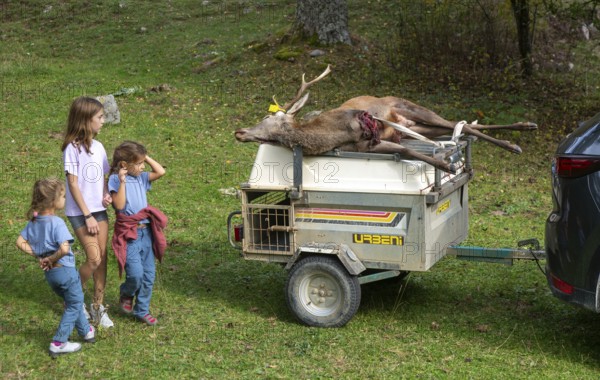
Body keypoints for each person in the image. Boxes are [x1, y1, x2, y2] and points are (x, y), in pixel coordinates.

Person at [16, 178, 96, 357]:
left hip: (51, 275)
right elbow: (64, 248)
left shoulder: (35, 222)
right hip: (65, 271)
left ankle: (86, 331)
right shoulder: (57, 223)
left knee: (73, 300)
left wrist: (40, 256)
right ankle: (59, 342)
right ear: (53, 201)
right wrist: (51, 258)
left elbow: (19, 242)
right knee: (75, 303)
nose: (65, 199)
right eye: (63, 196)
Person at [61, 96, 114, 328]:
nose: (103, 121)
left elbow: (103, 176)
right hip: (81, 213)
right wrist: (87, 215)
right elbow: (72, 184)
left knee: (102, 259)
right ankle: (73, 297)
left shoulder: (100, 147)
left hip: (99, 209)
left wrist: (106, 193)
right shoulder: (71, 149)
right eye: (99, 117)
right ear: (85, 120)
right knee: (93, 258)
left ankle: (97, 307)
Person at [108, 141, 167, 326]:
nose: (143, 167)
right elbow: (119, 205)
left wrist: (144, 156)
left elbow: (161, 172)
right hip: (130, 235)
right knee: (135, 274)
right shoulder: (115, 180)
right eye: (139, 163)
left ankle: (142, 310)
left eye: (143, 163)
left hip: (146, 232)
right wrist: (123, 181)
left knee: (149, 275)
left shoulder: (141, 177)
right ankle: (127, 292)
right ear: (125, 165)